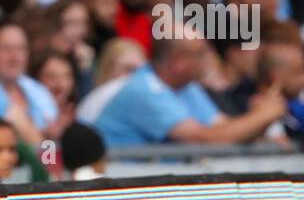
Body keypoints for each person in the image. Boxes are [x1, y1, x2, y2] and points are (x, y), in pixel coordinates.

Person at [92, 24, 285, 147]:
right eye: (200, 53)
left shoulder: (187, 86)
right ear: (178, 62)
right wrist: (265, 114)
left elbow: (223, 127)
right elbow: (205, 140)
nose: (209, 58)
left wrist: (260, 121)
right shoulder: (145, 91)